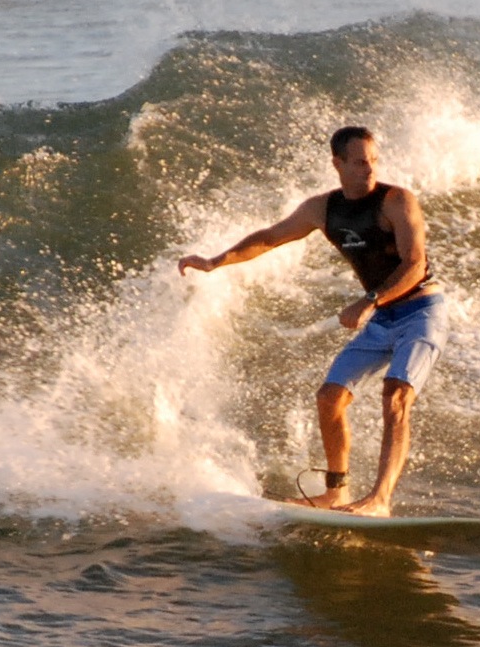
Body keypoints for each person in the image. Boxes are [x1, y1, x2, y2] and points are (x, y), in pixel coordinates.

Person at [177, 126, 445, 515]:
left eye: (373, 161)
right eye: (359, 162)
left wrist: (369, 300)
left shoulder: (396, 201)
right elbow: (270, 237)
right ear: (337, 164)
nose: (369, 169)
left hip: (421, 312)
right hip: (382, 318)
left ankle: (379, 499)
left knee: (396, 394)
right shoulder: (322, 209)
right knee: (329, 397)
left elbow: (414, 263)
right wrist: (215, 262)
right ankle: (336, 491)